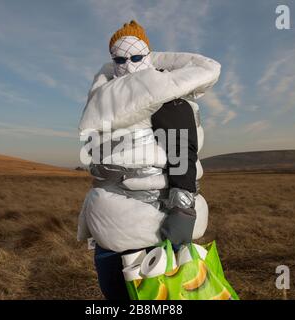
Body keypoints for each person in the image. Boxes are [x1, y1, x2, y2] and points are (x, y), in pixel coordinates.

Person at [77, 20, 221, 300]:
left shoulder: (166, 95)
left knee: (157, 296)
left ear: (149, 55)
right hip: (112, 220)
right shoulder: (108, 98)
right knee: (117, 292)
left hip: (151, 224)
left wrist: (183, 210)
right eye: (119, 59)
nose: (129, 65)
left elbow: (181, 152)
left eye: (137, 56)